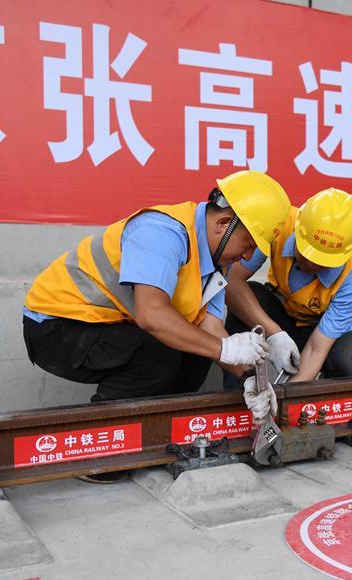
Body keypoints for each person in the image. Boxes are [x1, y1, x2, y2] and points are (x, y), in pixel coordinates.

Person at [22, 170, 290, 430]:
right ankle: (105, 442)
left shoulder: (216, 263)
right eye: (249, 244)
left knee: (197, 351)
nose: (247, 257)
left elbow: (210, 328)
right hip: (57, 325)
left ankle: (157, 432)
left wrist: (250, 378)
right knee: (158, 351)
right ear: (223, 224)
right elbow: (151, 315)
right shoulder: (162, 232)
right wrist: (223, 349)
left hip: (106, 326)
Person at [225, 187, 352, 383]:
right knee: (252, 297)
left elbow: (317, 348)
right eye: (307, 253)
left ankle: (321, 407)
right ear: (298, 229)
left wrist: (286, 400)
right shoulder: (279, 223)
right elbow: (231, 281)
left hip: (325, 336)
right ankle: (242, 390)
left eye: (323, 261)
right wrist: (274, 332)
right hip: (282, 317)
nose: (311, 264)